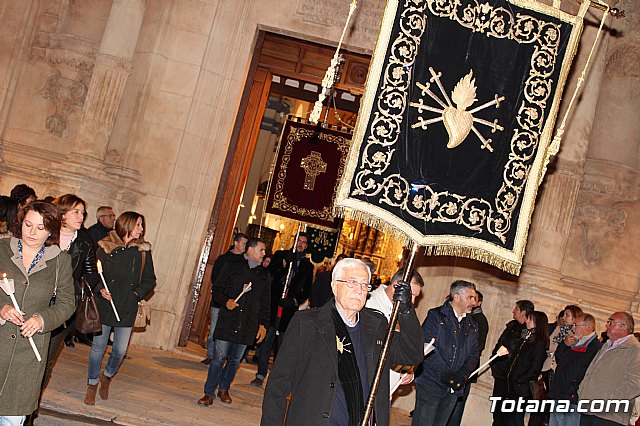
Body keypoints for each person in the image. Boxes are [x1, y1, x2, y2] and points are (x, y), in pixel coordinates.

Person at [261, 258, 423, 425]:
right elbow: (278, 385)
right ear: (334, 286)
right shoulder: (307, 324)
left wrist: (406, 312)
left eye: (364, 285)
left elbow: (412, 355)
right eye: (352, 283)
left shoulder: (377, 325)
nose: (359, 290)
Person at [0, 200, 75, 425]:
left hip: (28, 354)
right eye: (28, 224)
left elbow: (67, 303)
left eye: (40, 227)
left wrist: (42, 319)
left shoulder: (60, 260)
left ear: (51, 230)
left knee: (12, 418)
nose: (32, 232)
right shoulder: (2, 249)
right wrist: (1, 308)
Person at [84, 211, 156, 405]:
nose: (141, 229)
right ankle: (91, 385)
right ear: (127, 225)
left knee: (119, 351)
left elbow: (150, 280)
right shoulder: (105, 246)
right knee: (98, 348)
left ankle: (106, 376)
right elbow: (92, 272)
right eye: (138, 225)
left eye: (142, 225)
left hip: (126, 307)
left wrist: (135, 295)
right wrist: (100, 290)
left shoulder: (142, 252)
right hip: (105, 305)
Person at [197, 238, 270, 406]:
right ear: (250, 250)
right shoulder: (232, 265)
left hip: (247, 324)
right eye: (261, 250)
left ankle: (224, 388)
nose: (264, 254)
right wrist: (226, 301)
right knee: (219, 357)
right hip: (228, 321)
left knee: (235, 360)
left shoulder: (264, 275)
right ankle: (208, 393)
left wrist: (263, 324)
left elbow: (266, 302)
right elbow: (217, 289)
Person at [412, 280, 479, 426]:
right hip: (431, 382)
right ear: (456, 297)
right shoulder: (436, 316)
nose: (474, 302)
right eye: (470, 297)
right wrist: (447, 375)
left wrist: (462, 376)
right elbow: (427, 348)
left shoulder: (472, 325)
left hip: (453, 386)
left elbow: (474, 355)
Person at [251, 232, 313, 387]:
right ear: (294, 241)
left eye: (304, 243)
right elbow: (269, 271)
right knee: (266, 343)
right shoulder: (281, 255)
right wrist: (284, 263)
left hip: (288, 311)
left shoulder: (307, 266)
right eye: (299, 241)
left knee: (283, 346)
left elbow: (307, 290)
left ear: (307, 246)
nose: (301, 244)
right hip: (273, 306)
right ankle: (260, 373)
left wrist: (293, 301)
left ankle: (277, 378)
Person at [578, 311, 640, 426]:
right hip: (589, 410)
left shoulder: (635, 349)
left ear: (623, 327)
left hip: (610, 417)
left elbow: (635, 384)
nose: (607, 325)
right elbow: (591, 371)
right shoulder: (607, 345)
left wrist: (609, 402)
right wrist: (582, 391)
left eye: (611, 322)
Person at [201, 232, 248, 365]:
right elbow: (216, 279)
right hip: (219, 301)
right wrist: (224, 296)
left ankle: (222, 356)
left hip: (236, 302)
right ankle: (211, 355)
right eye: (243, 243)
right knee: (214, 330)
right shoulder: (223, 259)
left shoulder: (245, 262)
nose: (245, 246)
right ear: (236, 243)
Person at [547, 313, 601, 426]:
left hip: (571, 398)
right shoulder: (575, 342)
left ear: (588, 327)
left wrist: (572, 389)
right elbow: (560, 360)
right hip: (559, 394)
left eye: (576, 325)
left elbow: (583, 372)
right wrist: (564, 345)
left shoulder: (594, 347)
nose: (573, 328)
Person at [448, 290, 490, 426]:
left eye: (474, 300)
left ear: (479, 302)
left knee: (458, 402)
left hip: (467, 368)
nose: (470, 302)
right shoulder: (468, 317)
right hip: (457, 366)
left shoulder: (479, 320)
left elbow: (477, 347)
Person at [491, 300, 535, 426]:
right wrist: (494, 360)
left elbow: (516, 354)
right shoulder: (511, 326)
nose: (513, 311)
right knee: (497, 411)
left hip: (511, 378)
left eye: (516, 309)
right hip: (500, 373)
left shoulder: (527, 333)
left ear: (523, 312)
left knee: (508, 415)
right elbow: (501, 344)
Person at [504, 311, 549, 426]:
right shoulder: (526, 337)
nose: (527, 321)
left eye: (530, 319)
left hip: (521, 387)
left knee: (516, 419)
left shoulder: (539, 342)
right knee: (509, 418)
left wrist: (519, 380)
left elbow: (535, 368)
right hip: (513, 385)